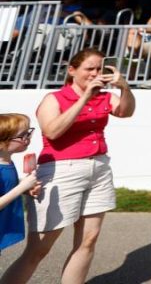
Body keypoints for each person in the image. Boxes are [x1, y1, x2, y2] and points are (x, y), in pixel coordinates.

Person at [1, 48, 135, 284]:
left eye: (99, 68)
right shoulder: (54, 99)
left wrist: (124, 87)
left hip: (99, 167)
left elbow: (125, 112)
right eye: (89, 69)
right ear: (72, 71)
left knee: (88, 240)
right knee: (39, 248)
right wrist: (84, 98)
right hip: (62, 169)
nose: (95, 73)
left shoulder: (103, 96)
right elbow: (52, 131)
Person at [0, 114, 41, 255]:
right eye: (22, 135)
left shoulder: (8, 163)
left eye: (28, 133)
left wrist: (26, 189)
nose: (27, 139)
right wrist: (21, 188)